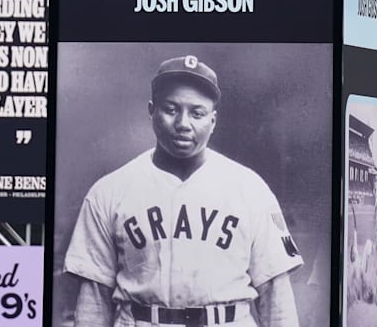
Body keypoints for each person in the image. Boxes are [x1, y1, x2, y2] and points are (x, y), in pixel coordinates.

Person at [65, 54, 303, 327]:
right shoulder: (109, 191)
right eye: (171, 109)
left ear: (213, 121)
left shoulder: (250, 189)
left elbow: (277, 298)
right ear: (151, 110)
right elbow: (93, 304)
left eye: (197, 113)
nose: (183, 124)